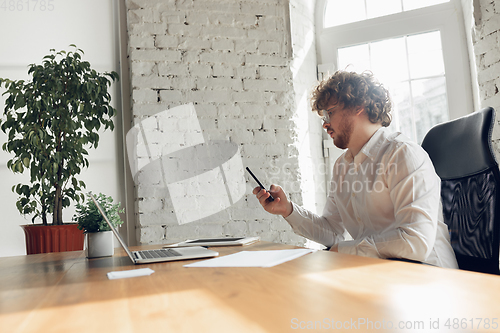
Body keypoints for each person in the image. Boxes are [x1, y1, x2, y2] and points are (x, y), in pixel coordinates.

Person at [253, 70, 458, 268]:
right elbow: (333, 232)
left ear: (358, 105)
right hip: (382, 275)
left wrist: (343, 251)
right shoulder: (342, 166)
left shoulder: (402, 154)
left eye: (329, 113)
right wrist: (288, 210)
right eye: (323, 117)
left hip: (430, 278)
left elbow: (415, 242)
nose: (325, 124)